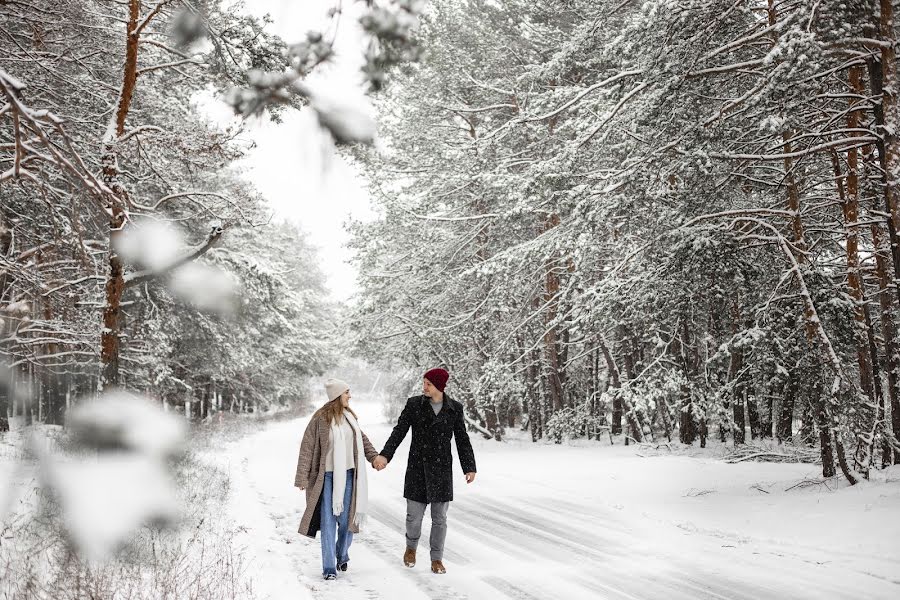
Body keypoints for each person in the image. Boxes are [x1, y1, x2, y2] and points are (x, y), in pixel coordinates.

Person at [373, 368, 477, 574]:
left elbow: (462, 439)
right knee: (414, 517)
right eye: (424, 383)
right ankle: (411, 548)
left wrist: (469, 467)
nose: (424, 387)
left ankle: (436, 559)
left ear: (439, 385)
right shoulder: (414, 405)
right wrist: (385, 455)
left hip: (441, 470)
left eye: (428, 384)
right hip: (417, 469)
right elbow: (399, 431)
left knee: (439, 519)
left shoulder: (454, 409)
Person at [294, 378, 379, 580]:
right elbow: (307, 448)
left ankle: (342, 554)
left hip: (350, 475)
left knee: (348, 520)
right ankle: (329, 568)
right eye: (346, 392)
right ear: (337, 396)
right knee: (328, 522)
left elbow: (362, 440)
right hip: (326, 479)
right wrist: (302, 478)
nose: (350, 396)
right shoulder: (320, 420)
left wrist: (374, 457)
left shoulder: (350, 418)